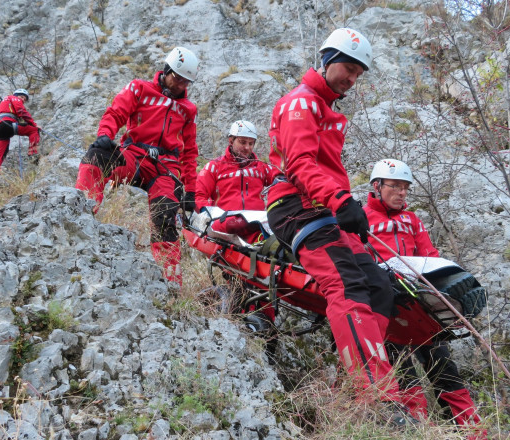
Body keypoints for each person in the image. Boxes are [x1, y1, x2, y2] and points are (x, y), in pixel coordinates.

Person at [264, 27, 414, 417]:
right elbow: (299, 165)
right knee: (346, 284)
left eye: (358, 73)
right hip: (297, 207)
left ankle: (356, 382)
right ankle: (375, 393)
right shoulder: (301, 103)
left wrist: (343, 205)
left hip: (325, 208)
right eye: (348, 68)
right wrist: (341, 200)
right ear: (328, 60)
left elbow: (325, 168)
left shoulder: (328, 109)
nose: (352, 79)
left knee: (379, 287)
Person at [365, 158, 485, 436]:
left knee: (445, 370)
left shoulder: (412, 220)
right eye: (395, 186)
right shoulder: (361, 219)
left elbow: (429, 256)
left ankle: (473, 432)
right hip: (386, 307)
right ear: (377, 186)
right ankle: (422, 432)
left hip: (421, 306)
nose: (402, 192)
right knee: (404, 373)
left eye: (406, 187)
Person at [75, 47, 200, 287]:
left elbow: (190, 152)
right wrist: (104, 135)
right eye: (178, 78)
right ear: (167, 70)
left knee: (165, 217)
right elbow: (116, 113)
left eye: (186, 82)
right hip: (133, 155)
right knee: (96, 157)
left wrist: (192, 190)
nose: (181, 85)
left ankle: (171, 283)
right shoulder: (139, 88)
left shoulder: (189, 110)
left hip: (165, 168)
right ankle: (80, 219)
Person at [195, 120, 279, 243]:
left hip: (256, 224)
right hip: (225, 223)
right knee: (236, 223)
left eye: (251, 143)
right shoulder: (214, 167)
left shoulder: (262, 167)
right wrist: (206, 220)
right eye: (242, 142)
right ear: (231, 141)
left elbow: (281, 182)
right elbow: (199, 196)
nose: (247, 147)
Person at [0, 88, 41, 189]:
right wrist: (33, 124)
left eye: (25, 99)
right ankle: (33, 155)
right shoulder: (13, 98)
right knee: (33, 130)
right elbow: (21, 111)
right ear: (16, 95)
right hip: (7, 124)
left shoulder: (5, 102)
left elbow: (12, 112)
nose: (23, 100)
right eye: (22, 97)